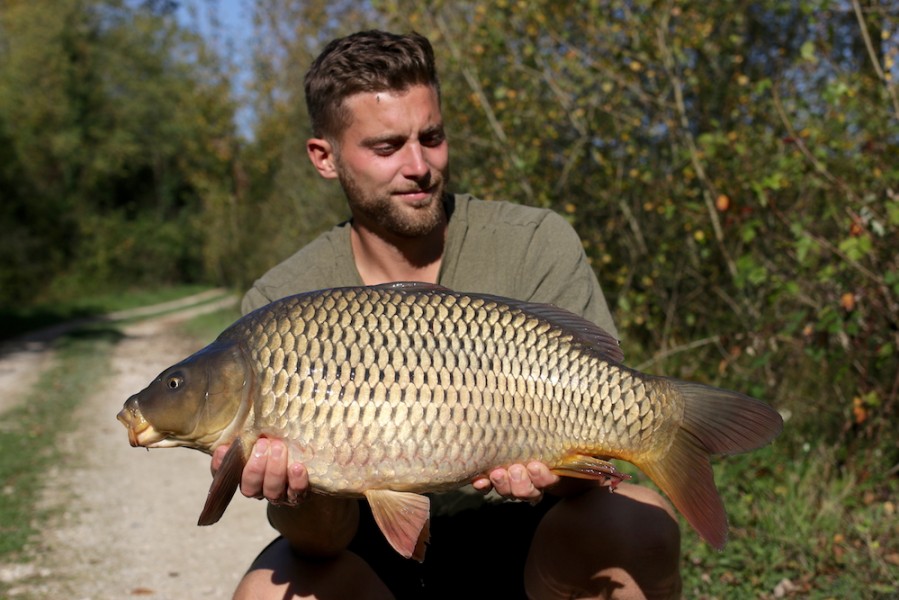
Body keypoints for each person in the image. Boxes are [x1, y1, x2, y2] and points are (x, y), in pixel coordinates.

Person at [212, 30, 682, 599]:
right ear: (325, 158)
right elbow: (320, 544)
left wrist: (555, 470)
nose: (418, 166)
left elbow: (588, 478)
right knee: (268, 595)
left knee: (635, 522)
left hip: (528, 532)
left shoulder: (534, 242)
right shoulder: (280, 302)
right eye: (386, 147)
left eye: (431, 137)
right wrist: (296, 495)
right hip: (370, 547)